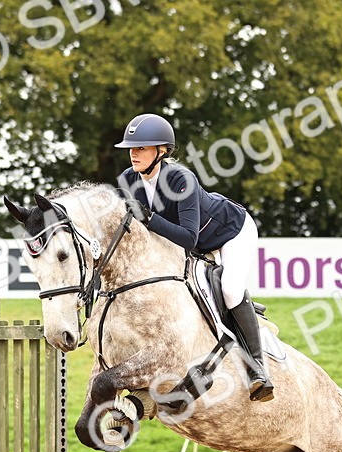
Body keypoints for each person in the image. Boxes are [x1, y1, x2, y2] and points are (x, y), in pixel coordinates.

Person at [115, 113, 274, 402]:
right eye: (131, 147)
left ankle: (258, 370)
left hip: (231, 232)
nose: (133, 153)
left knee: (230, 288)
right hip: (191, 245)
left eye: (141, 148)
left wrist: (149, 218)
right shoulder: (128, 179)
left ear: (161, 151)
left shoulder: (181, 179)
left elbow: (190, 238)